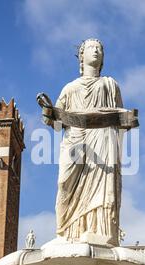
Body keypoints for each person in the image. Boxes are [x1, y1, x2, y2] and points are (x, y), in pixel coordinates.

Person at [51, 39, 126, 246]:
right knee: (64, 183)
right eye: (92, 47)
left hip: (102, 138)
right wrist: (48, 112)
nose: (97, 51)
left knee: (101, 182)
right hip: (75, 139)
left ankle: (99, 230)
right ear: (81, 57)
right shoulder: (69, 88)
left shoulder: (110, 85)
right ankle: (65, 231)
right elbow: (56, 124)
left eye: (100, 48)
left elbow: (121, 119)